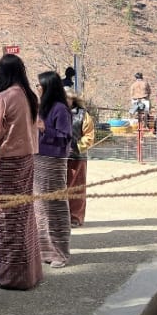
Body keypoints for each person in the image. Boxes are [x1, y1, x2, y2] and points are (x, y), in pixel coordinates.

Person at [0, 54, 43, 290]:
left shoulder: (3, 97)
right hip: (28, 159)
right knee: (25, 215)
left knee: (6, 218)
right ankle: (30, 272)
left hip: (7, 162)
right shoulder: (29, 96)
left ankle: (11, 276)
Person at [34, 72, 73, 268]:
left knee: (55, 207)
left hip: (54, 161)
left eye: (39, 85)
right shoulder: (41, 108)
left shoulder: (60, 109)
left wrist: (44, 129)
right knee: (40, 208)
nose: (37, 88)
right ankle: (45, 251)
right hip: (38, 159)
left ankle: (61, 253)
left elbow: (65, 137)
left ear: (48, 87)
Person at [64, 88, 95, 227]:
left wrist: (77, 146)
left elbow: (89, 136)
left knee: (77, 188)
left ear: (73, 99)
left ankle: (75, 217)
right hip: (59, 157)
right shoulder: (55, 113)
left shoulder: (83, 115)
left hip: (77, 157)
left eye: (67, 98)